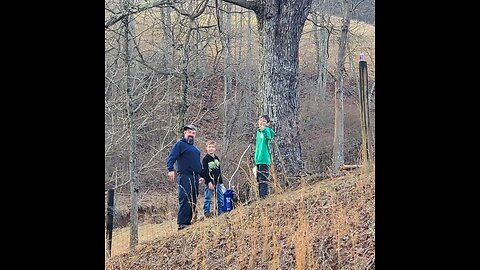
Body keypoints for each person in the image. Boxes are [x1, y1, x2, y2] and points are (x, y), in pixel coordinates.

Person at [166, 124, 204, 230]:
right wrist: (170, 169)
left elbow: (198, 164)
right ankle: (182, 224)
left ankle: (190, 221)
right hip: (185, 176)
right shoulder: (180, 145)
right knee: (185, 198)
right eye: (189, 132)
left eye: (193, 133)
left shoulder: (195, 149)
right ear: (185, 133)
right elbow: (171, 157)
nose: (191, 135)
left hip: (195, 177)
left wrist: (201, 175)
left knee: (193, 199)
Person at [200, 140, 224, 217]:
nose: (211, 148)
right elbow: (205, 172)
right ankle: (206, 212)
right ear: (206, 148)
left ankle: (220, 212)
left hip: (218, 182)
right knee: (208, 198)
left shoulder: (216, 158)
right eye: (209, 147)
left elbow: (219, 171)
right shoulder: (205, 159)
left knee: (221, 198)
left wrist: (221, 182)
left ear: (215, 148)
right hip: (210, 182)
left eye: (212, 147)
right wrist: (209, 182)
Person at [254, 115, 275, 199]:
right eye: (260, 120)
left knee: (263, 178)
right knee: (259, 179)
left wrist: (265, 130)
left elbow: (269, 137)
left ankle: (264, 196)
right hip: (258, 159)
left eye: (264, 121)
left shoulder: (267, 130)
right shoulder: (258, 132)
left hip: (264, 159)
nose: (261, 122)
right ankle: (260, 196)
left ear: (267, 123)